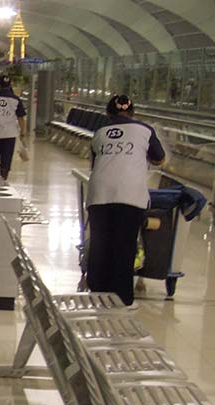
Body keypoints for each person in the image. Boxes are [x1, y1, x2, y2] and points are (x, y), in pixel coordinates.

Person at [86, 94, 166, 308]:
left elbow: (95, 163)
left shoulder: (99, 132)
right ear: (133, 112)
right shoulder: (145, 131)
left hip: (99, 194)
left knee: (100, 244)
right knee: (124, 246)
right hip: (130, 196)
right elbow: (160, 158)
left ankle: (96, 293)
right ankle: (121, 299)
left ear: (108, 113)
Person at [0, 75, 27, 181]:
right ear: (10, 85)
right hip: (10, 134)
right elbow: (21, 118)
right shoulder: (16, 100)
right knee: (6, 158)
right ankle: (3, 179)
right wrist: (23, 132)